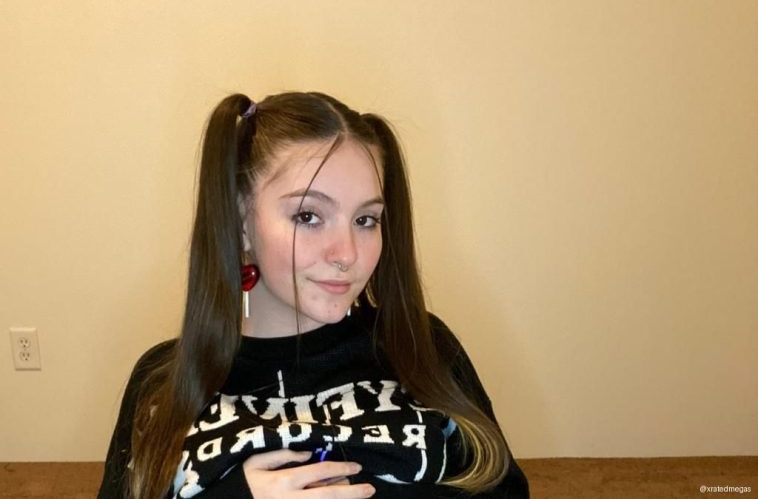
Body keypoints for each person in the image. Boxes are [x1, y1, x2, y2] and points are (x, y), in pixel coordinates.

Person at [98, 92, 529, 499]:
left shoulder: (421, 346)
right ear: (241, 221)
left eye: (366, 219)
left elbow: (502, 486)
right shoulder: (162, 380)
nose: (347, 254)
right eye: (308, 216)